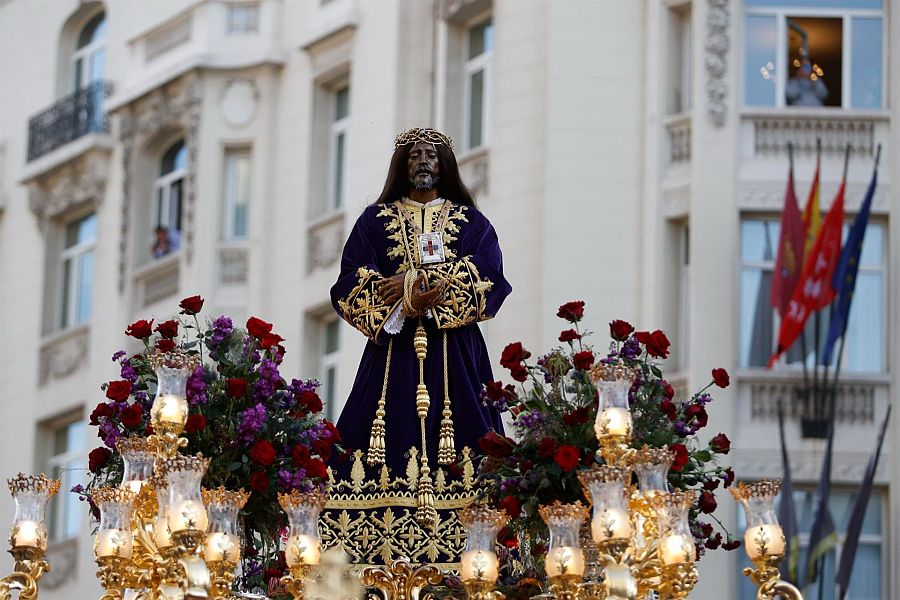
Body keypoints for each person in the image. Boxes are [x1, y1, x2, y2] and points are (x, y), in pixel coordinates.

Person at [324, 127, 511, 566]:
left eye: (430, 155)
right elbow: (348, 282)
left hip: (457, 355)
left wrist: (428, 284)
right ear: (402, 167)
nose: (422, 162)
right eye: (414, 157)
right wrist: (405, 298)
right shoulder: (374, 221)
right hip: (393, 355)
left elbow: (491, 277)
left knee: (477, 450)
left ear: (444, 164)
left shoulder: (471, 223)